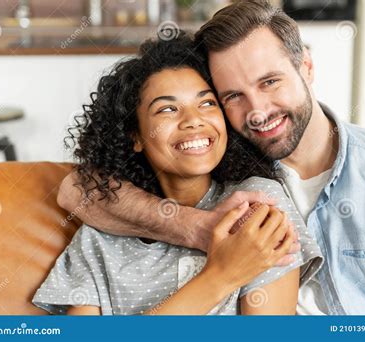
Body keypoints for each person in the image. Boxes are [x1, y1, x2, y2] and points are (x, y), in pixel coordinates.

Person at [57, 0, 365, 315]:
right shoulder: (218, 160)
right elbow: (76, 190)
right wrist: (197, 227)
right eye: (232, 96)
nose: (258, 111)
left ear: (306, 68)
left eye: (270, 82)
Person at [32, 33, 323, 315]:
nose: (193, 120)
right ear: (135, 135)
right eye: (168, 109)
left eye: (207, 103)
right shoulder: (102, 232)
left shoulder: (258, 206)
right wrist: (220, 277)